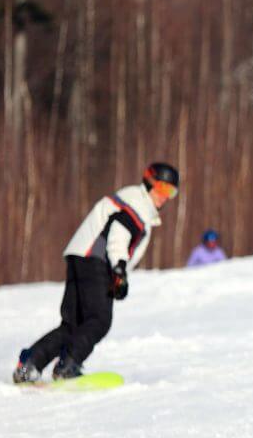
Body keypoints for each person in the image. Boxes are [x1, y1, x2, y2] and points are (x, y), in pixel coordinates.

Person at [13, 163, 179, 382]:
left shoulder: (132, 201)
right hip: (96, 259)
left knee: (73, 326)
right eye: (162, 188)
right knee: (99, 320)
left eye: (171, 192)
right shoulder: (137, 204)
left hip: (80, 255)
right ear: (149, 183)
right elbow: (118, 233)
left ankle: (30, 363)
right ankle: (68, 365)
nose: (165, 196)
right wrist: (119, 268)